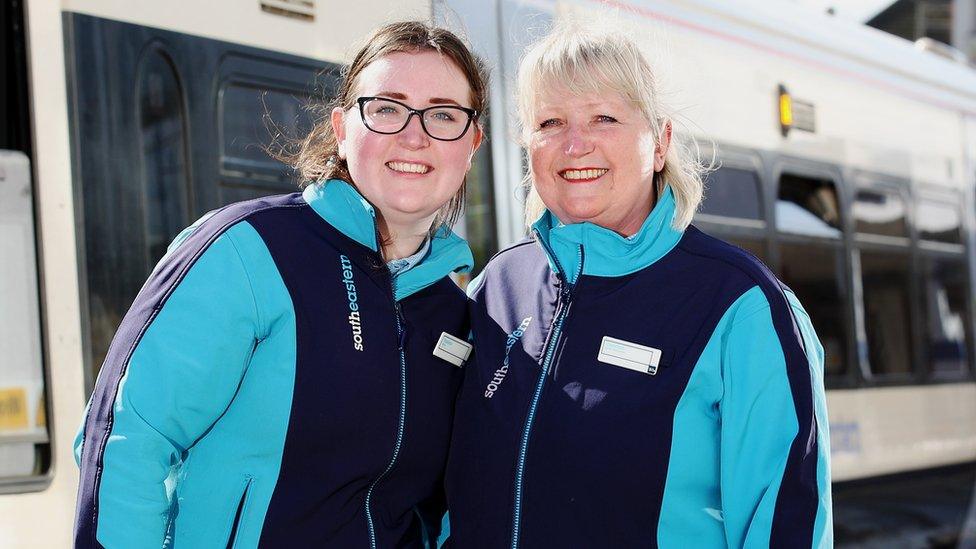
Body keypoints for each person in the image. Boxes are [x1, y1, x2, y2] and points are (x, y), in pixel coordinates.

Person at [73, 21, 486, 548]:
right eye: (387, 108)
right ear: (342, 126)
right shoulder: (247, 250)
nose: (414, 134)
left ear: (471, 143)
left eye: (443, 115)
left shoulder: (455, 316)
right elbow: (125, 442)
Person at [445, 22, 832, 548]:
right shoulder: (497, 288)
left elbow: (786, 524)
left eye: (604, 117)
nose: (575, 144)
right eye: (550, 122)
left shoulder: (742, 306)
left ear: (660, 143)